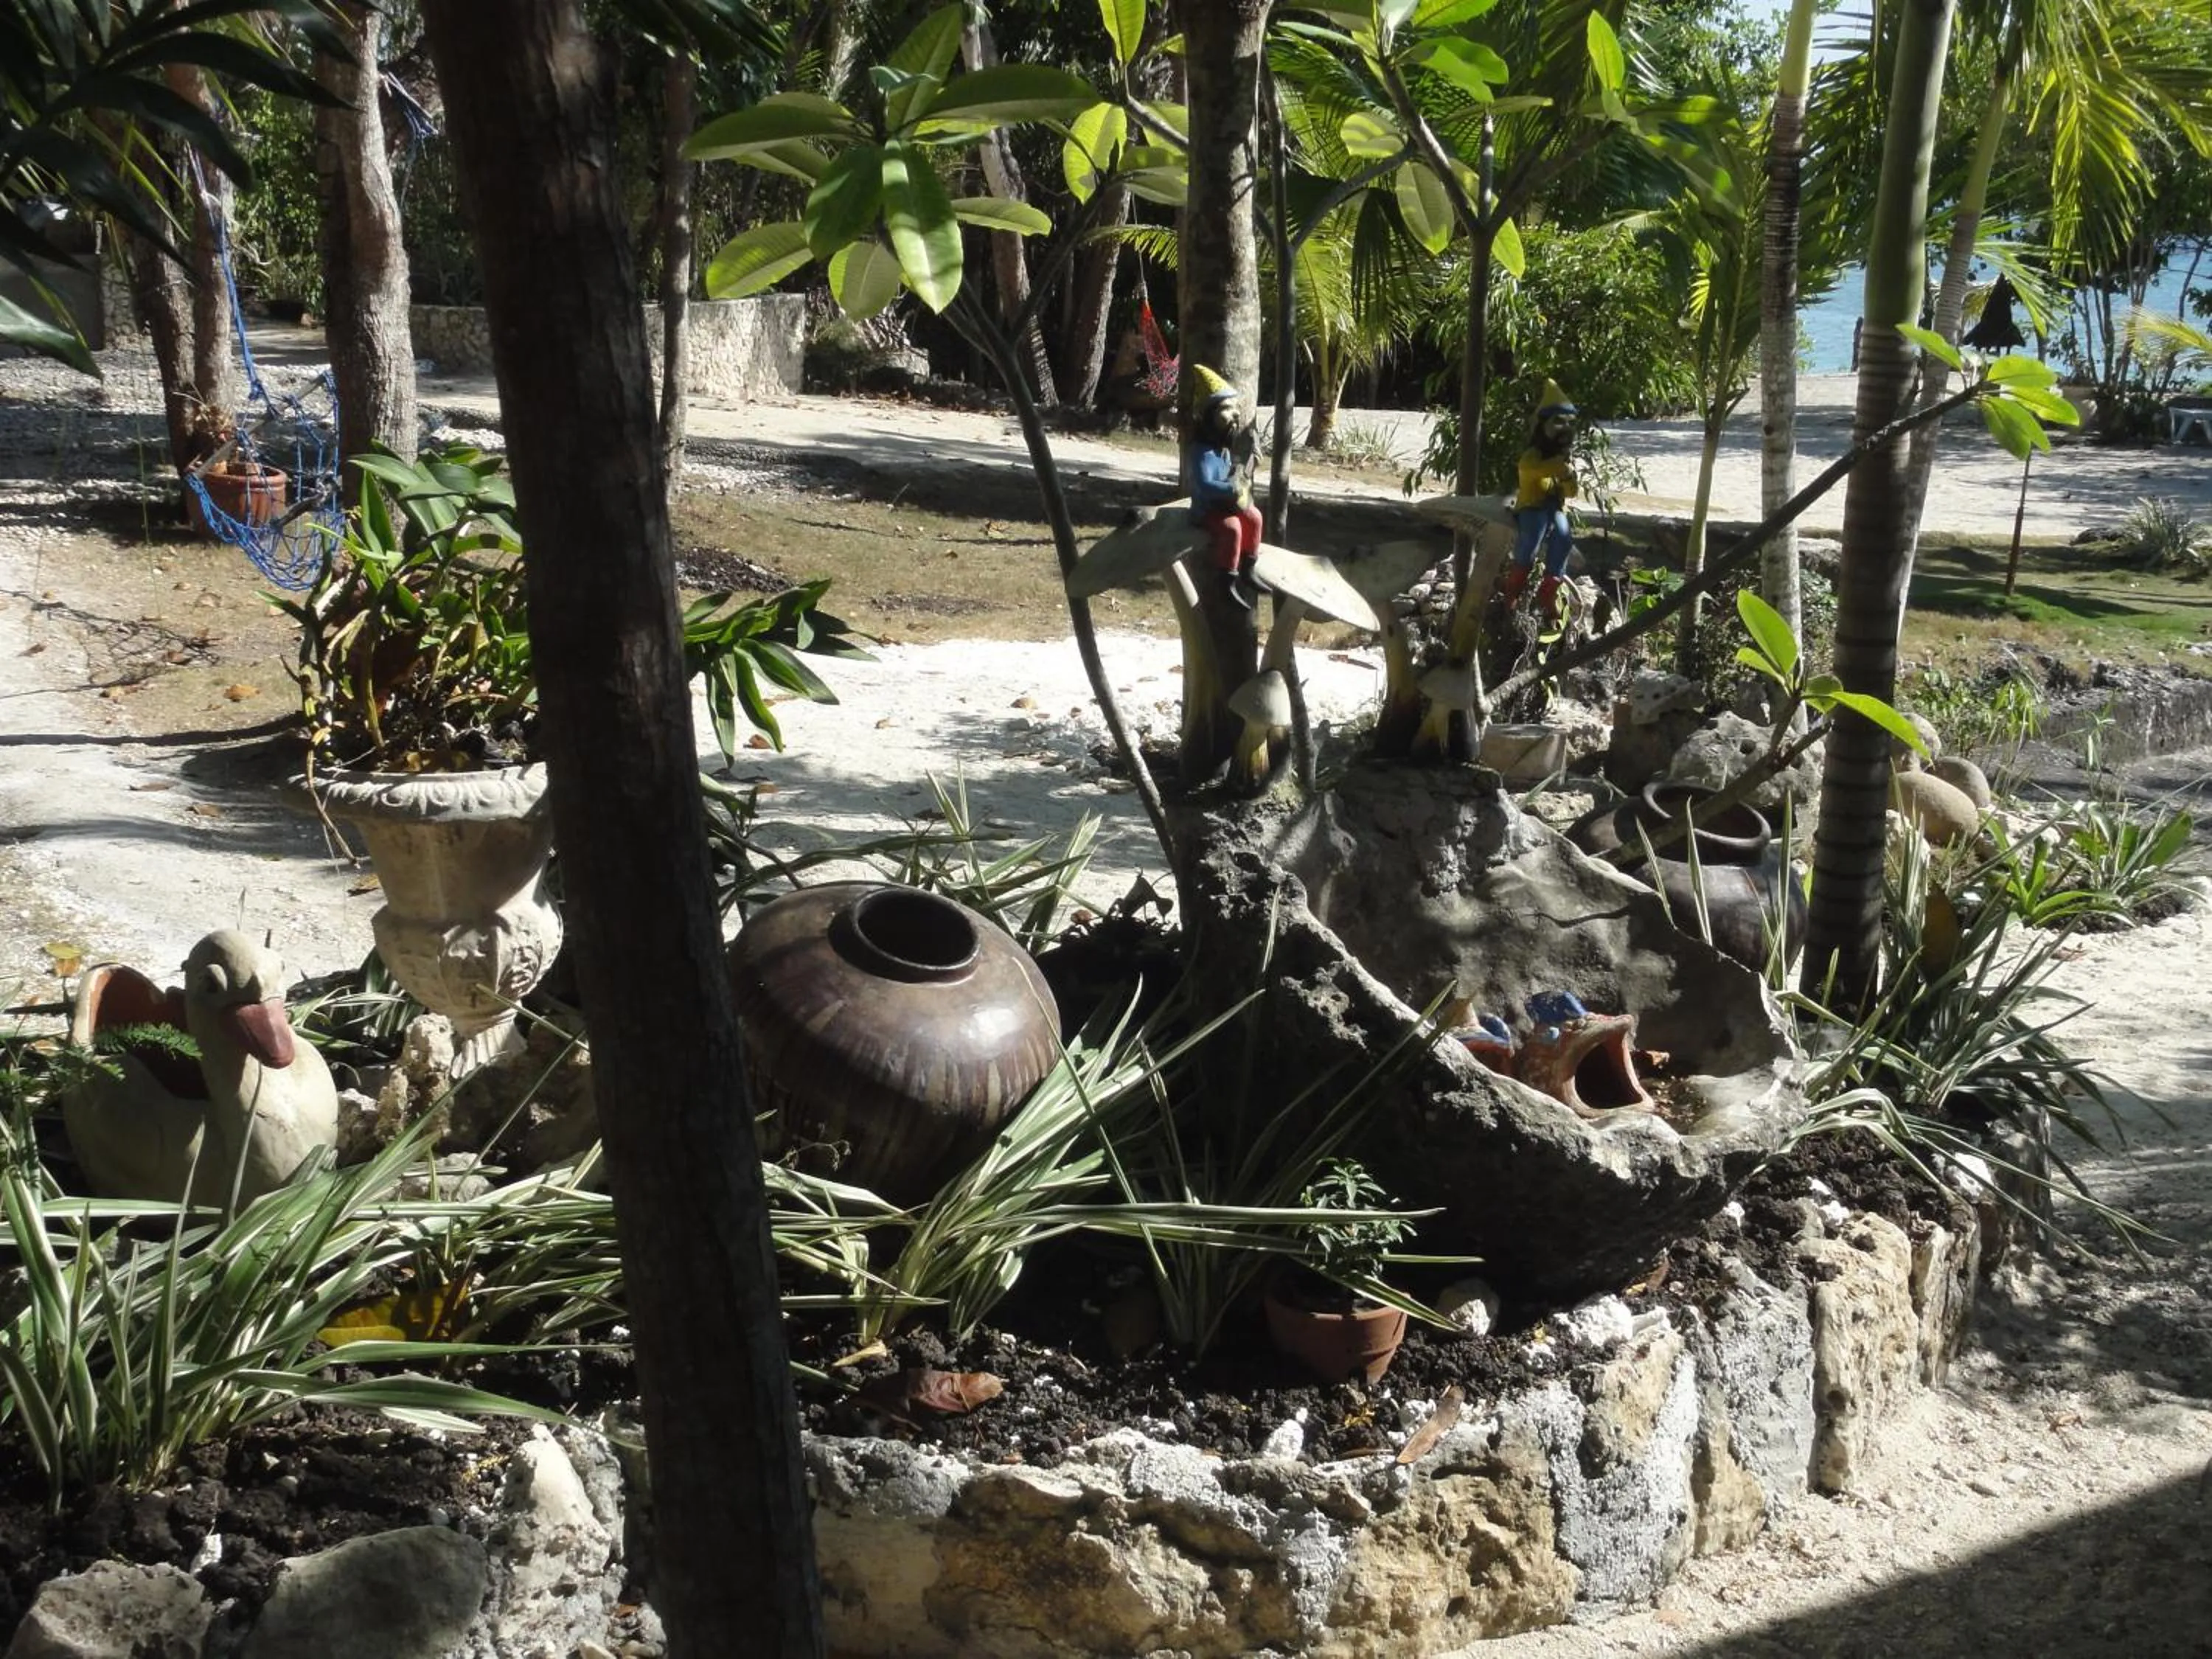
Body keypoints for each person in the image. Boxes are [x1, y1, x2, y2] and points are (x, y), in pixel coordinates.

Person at [1497, 380, 1578, 622]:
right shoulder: (1534, 455)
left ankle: (1549, 590)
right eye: (1558, 422)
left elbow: (1572, 491)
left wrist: (1566, 477)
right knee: (1534, 532)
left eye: (1569, 423)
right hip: (1531, 507)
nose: (1564, 428)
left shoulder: (1564, 459)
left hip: (1555, 508)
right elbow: (1529, 470)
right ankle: (1512, 590)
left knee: (1563, 536)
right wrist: (1556, 468)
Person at [1185, 364, 1264, 608]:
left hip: (1226, 503)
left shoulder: (1223, 449)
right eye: (1228, 409)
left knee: (1254, 517)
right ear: (1210, 414)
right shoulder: (1201, 452)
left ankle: (1249, 568)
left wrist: (1245, 473)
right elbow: (1206, 485)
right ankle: (1226, 580)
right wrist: (1231, 489)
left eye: (1236, 408)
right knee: (1232, 529)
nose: (1237, 414)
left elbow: (1230, 474)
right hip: (1207, 508)